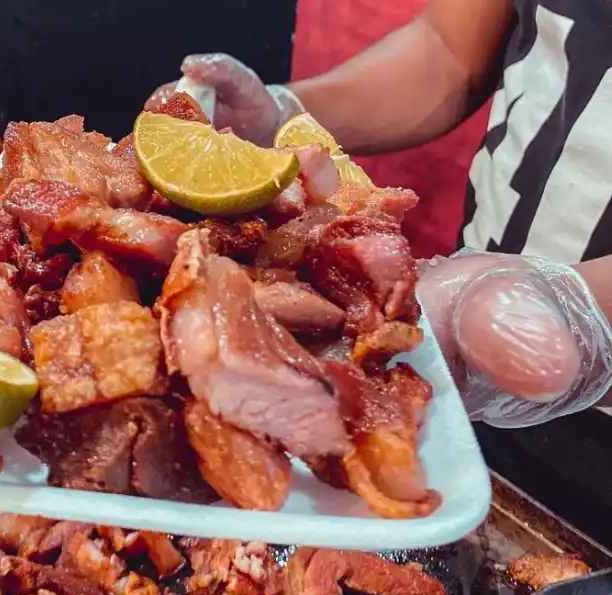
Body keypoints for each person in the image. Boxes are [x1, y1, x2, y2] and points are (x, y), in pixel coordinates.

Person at [148, 0, 612, 541]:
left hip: (527, 344)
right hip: (466, 342)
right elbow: (449, 51)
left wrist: (586, 306)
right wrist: (285, 116)